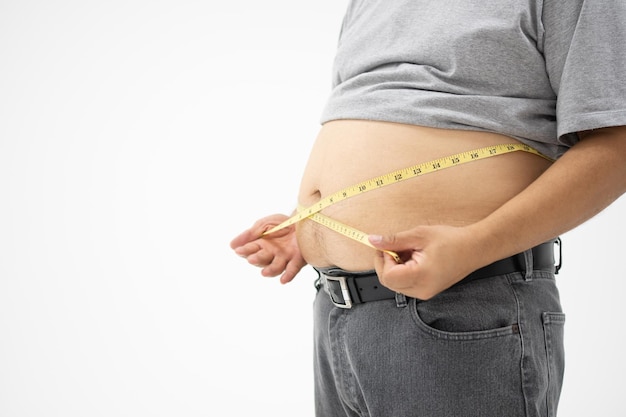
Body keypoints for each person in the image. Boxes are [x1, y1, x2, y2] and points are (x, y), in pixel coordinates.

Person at [230, 1, 626, 416]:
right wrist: (314, 222)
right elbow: (375, 112)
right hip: (334, 310)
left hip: (462, 302)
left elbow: (616, 143)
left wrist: (476, 244)